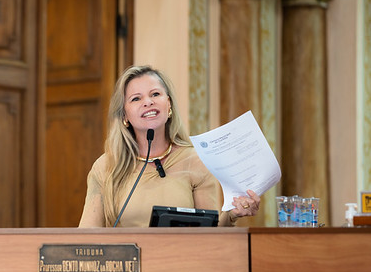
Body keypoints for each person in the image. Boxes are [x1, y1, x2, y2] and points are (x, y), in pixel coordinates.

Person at [78, 65, 260, 228]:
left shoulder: (197, 161)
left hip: (181, 262)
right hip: (127, 263)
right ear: (124, 116)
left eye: (155, 94)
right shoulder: (105, 167)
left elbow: (209, 235)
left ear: (169, 104)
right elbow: (86, 236)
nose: (148, 102)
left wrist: (232, 215)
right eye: (136, 99)